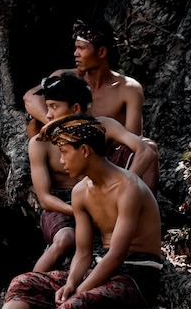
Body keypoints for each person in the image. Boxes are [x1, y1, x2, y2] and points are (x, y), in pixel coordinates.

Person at [0, 114, 163, 309]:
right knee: (25, 281)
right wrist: (71, 283)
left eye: (65, 152)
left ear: (85, 150)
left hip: (137, 275)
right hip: (101, 268)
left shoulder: (128, 187)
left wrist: (80, 291)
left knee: (77, 304)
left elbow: (117, 255)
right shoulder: (80, 192)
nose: (61, 160)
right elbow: (84, 252)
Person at [28, 72, 156, 272]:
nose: (49, 114)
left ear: (76, 108)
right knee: (65, 240)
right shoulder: (39, 143)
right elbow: (44, 198)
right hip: (62, 204)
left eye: (54, 107)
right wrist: (83, 213)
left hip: (102, 193)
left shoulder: (102, 126)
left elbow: (145, 151)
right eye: (48, 106)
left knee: (144, 146)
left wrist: (125, 186)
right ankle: (28, 287)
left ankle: (142, 213)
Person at [23, 19, 160, 194]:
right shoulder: (65, 78)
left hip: (103, 158)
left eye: (81, 48)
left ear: (101, 51)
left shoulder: (128, 89)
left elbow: (132, 139)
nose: (75, 54)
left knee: (149, 146)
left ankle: (143, 203)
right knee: (34, 124)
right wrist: (62, 128)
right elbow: (29, 98)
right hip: (63, 157)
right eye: (75, 48)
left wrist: (90, 136)